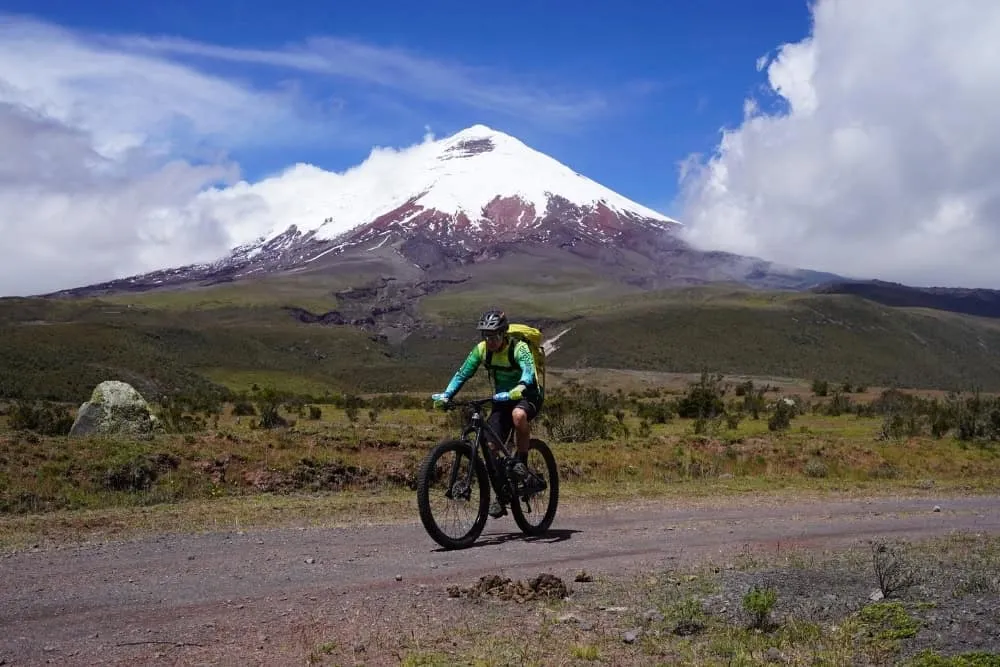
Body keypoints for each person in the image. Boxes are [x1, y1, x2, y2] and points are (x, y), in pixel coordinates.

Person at [431, 308, 544, 518]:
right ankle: (501, 495)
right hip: (502, 399)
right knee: (490, 446)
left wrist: (519, 388)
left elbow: (529, 373)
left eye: (494, 336)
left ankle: (522, 463)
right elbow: (463, 373)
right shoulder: (482, 350)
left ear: (504, 333)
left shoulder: (519, 348)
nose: (490, 340)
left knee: (518, 416)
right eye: (486, 336)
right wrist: (447, 395)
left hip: (528, 394)